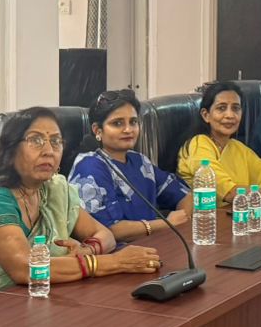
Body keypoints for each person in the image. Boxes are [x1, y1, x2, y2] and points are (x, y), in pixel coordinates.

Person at [0, 107, 163, 303]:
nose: (49, 150)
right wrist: (114, 262)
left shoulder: (55, 189)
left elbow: (105, 234)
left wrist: (87, 250)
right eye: (36, 140)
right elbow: (26, 268)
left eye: (56, 141)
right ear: (11, 150)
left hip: (35, 300)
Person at [69, 89, 191, 241]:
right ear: (97, 130)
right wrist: (166, 224)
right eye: (117, 123)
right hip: (114, 252)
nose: (128, 130)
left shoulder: (140, 161)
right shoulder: (89, 166)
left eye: (133, 122)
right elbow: (108, 230)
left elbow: (185, 196)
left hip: (153, 245)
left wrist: (183, 218)